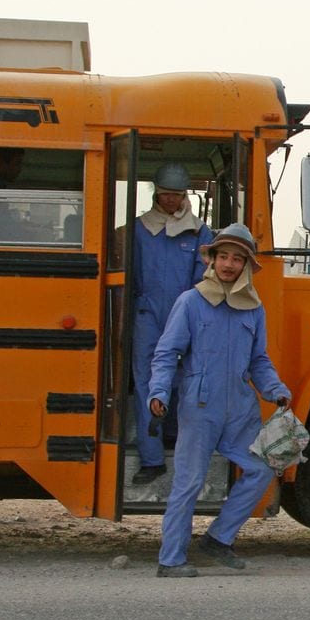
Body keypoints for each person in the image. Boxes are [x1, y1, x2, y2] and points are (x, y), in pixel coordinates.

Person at [148, 223, 291, 578]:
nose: (228, 264)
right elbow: (167, 354)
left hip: (241, 408)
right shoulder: (191, 302)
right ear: (211, 260)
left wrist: (275, 390)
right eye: (223, 256)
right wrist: (159, 391)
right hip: (200, 405)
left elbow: (258, 360)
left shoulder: (253, 309)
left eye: (237, 258)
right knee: (190, 481)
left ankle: (218, 538)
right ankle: (171, 559)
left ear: (247, 266)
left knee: (262, 468)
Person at [131, 163, 214, 485]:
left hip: (184, 316)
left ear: (184, 195)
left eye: (176, 195)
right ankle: (152, 459)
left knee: (184, 381)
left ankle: (176, 444)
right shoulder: (139, 229)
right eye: (165, 195)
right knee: (147, 383)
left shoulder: (199, 233)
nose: (170, 201)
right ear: (156, 193)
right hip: (147, 315)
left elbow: (202, 281)